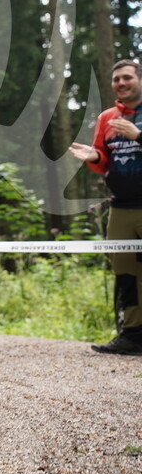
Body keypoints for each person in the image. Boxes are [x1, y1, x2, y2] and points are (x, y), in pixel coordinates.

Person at [68, 59, 142, 355]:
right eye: (116, 80)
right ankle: (133, 335)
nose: (121, 84)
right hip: (121, 208)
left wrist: (137, 136)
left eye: (127, 78)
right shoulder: (107, 118)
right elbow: (103, 163)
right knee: (125, 273)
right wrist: (94, 157)